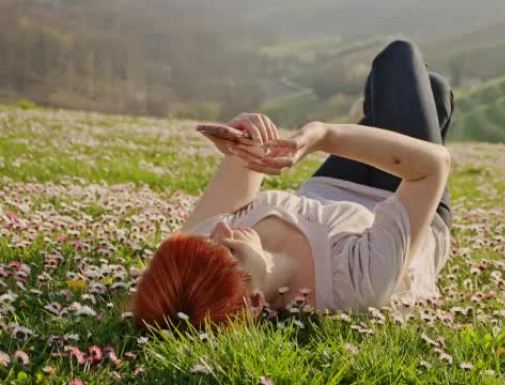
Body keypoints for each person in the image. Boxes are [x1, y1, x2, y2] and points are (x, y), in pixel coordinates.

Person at [130, 40, 455, 331]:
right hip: (407, 198)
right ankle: (377, 115)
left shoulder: (196, 259)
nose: (220, 230)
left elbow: (246, 162)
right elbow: (432, 166)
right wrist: (323, 136)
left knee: (424, 90)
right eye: (231, 251)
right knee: (398, 60)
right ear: (255, 302)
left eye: (208, 239)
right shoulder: (354, 286)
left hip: (332, 187)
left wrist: (246, 139)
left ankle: (381, 116)